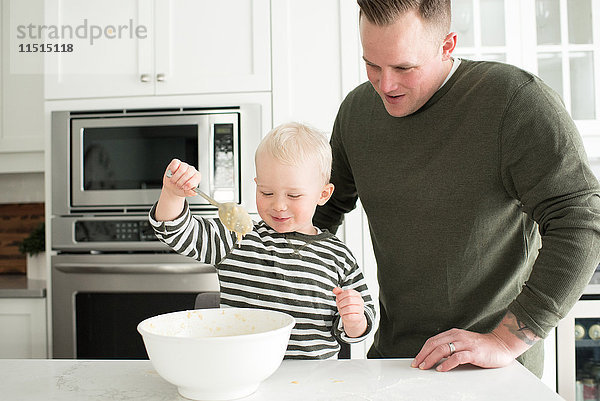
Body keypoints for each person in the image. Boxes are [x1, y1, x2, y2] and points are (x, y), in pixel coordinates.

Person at [312, 0, 600, 377]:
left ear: (447, 45)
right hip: (393, 364)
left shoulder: (514, 101)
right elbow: (319, 210)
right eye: (372, 65)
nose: (386, 85)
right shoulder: (356, 113)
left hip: (490, 373)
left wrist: (506, 340)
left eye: (404, 67)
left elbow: (581, 220)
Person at [149, 122, 376, 359]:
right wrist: (172, 194)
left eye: (293, 195)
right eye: (266, 193)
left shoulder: (337, 256)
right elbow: (175, 231)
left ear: (323, 194)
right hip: (241, 375)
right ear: (256, 186)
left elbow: (361, 323)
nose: (278, 205)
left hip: (313, 381)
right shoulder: (237, 237)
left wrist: (355, 320)